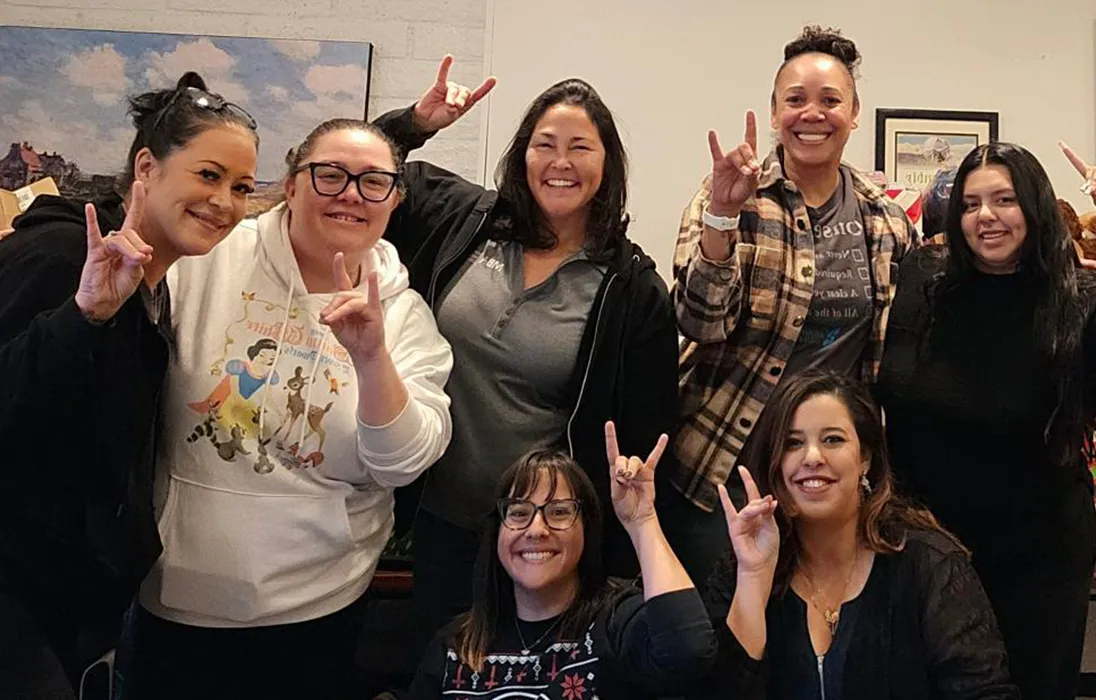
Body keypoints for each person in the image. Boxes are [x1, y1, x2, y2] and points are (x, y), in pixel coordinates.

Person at [128, 118, 453, 700]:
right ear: (293, 184)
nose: (351, 193)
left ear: (394, 200)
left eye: (374, 182)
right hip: (182, 595)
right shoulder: (210, 257)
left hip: (321, 602)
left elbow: (403, 462)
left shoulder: (404, 316)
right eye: (329, 175)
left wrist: (373, 357)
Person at [875, 141, 1096, 700]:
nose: (987, 216)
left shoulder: (1080, 298)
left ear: (1035, 207)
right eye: (971, 203)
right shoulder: (921, 279)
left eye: (1004, 199)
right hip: (923, 546)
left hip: (1034, 555)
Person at [373, 57, 679, 654]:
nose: (560, 162)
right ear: (523, 154)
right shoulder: (462, 219)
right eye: (545, 144)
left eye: (580, 148)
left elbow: (642, 434)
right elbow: (358, 168)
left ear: (607, 165)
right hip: (437, 522)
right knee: (439, 674)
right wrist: (414, 123)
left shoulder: (632, 288)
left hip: (542, 544)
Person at [0, 71, 258, 696]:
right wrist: (81, 316)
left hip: (73, 601)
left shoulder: (153, 285)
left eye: (242, 187)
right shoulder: (63, 258)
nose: (224, 201)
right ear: (147, 166)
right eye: (208, 175)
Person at [665, 25, 918, 584]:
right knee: (720, 639)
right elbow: (698, 322)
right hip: (724, 465)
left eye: (830, 101)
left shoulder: (887, 219)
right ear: (775, 111)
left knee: (809, 634)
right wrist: (721, 222)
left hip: (827, 477)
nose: (813, 114)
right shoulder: (729, 194)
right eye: (796, 100)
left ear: (853, 115)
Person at [693, 368, 1018, 699]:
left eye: (832, 439)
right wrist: (754, 579)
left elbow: (985, 693)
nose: (812, 457)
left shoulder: (928, 564)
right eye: (793, 443)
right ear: (775, 463)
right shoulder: (745, 563)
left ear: (865, 457)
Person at [407, 423, 715, 699]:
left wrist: (642, 521)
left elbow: (689, 651)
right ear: (497, 533)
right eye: (518, 513)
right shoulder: (455, 644)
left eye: (559, 512)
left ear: (586, 529)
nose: (537, 530)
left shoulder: (616, 622)